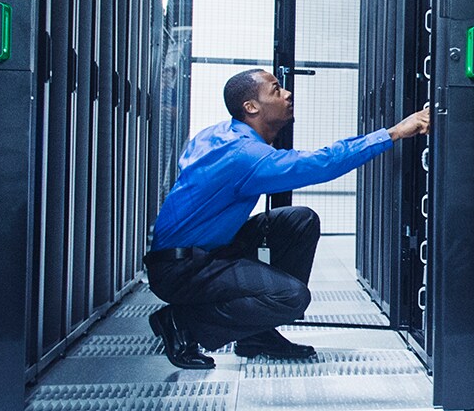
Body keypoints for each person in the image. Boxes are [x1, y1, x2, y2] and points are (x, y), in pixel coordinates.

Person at [143, 68, 430, 369]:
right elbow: (322, 164)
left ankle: (257, 333)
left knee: (299, 221)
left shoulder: (218, 135)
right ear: (251, 107)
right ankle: (182, 323)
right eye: (276, 90)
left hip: (204, 251)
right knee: (291, 298)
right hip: (182, 269)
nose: (287, 93)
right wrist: (394, 132)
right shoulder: (245, 156)